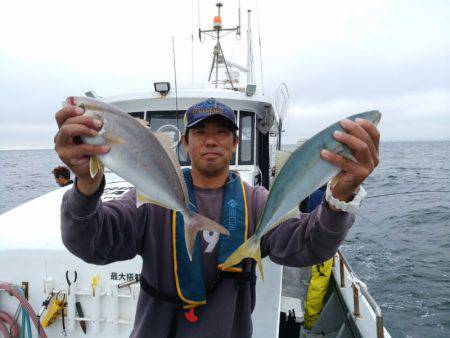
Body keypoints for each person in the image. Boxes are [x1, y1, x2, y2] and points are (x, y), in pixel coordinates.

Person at [54, 97, 380, 338]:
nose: (211, 139)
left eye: (222, 132)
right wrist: (86, 183)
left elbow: (308, 246)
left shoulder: (257, 202)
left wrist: (341, 197)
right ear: (185, 143)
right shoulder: (150, 200)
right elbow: (90, 242)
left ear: (235, 143)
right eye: (200, 132)